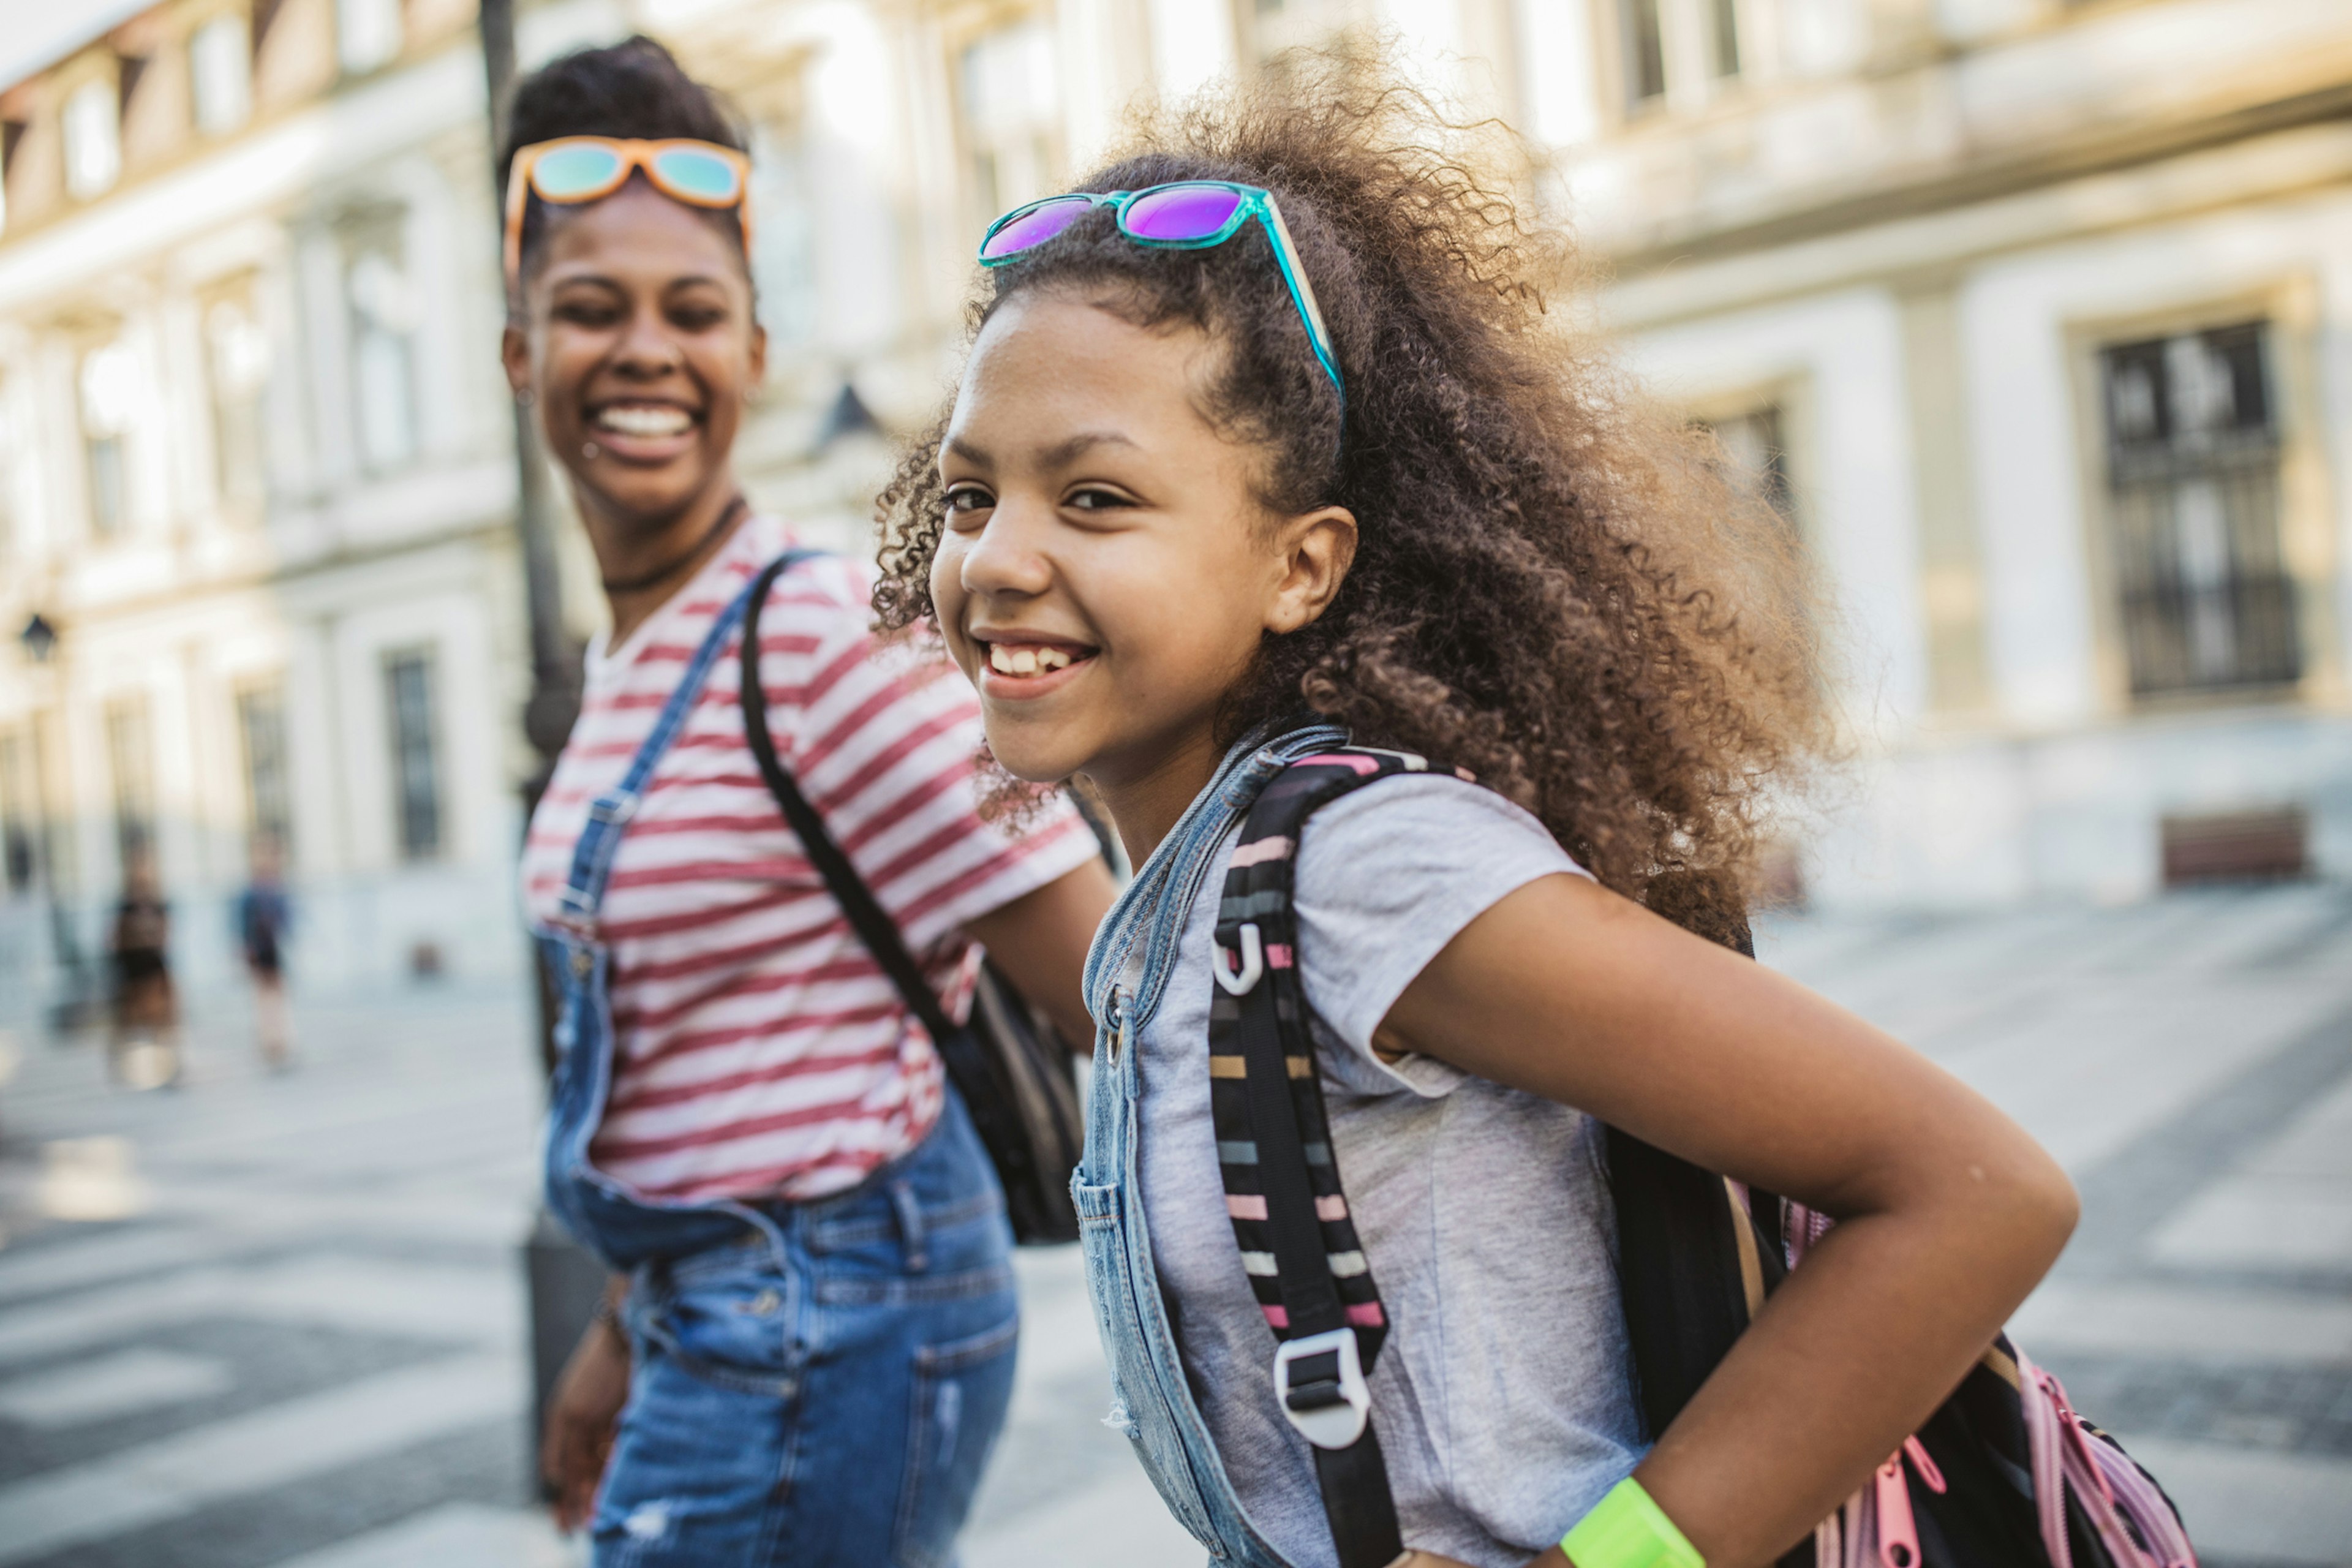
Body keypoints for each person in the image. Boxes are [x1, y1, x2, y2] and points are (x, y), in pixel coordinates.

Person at [873, 72, 2081, 1568]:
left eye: (1098, 498)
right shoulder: (1188, 881)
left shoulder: (1355, 867)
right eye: (972, 493)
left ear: (1299, 567)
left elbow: (1969, 1193)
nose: (995, 558)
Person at [500, 39, 1116, 1566]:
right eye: (590, 309)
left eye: (692, 311)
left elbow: (1126, 988)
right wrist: (620, 1324)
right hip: (720, 1305)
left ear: (754, 350)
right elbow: (709, 1058)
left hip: (837, 1314)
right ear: (519, 350)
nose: (645, 349)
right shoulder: (634, 654)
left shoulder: (819, 634)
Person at [107, 851, 179, 1090]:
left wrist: (149, 936)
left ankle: (167, 1067)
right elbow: (115, 939)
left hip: (155, 967)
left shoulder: (159, 903)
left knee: (163, 1020)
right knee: (129, 1020)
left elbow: (166, 934)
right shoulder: (125, 906)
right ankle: (123, 1061)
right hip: (131, 969)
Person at [236, 835, 293, 1070]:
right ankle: (269, 1039)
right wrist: (244, 947)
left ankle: (279, 1039)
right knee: (264, 996)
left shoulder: (276, 890)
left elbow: (286, 921)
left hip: (274, 948)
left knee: (277, 995)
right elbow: (242, 924)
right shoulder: (250, 894)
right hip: (259, 950)